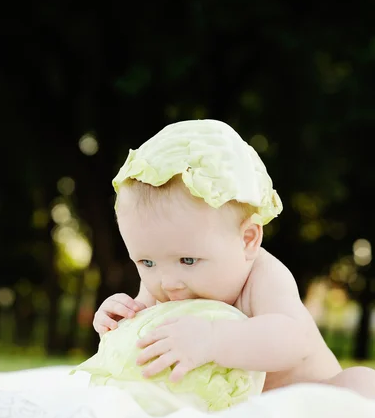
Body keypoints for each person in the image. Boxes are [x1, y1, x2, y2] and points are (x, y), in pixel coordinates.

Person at [93, 119, 375, 398]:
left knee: (362, 382)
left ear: (247, 240)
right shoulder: (165, 285)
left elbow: (294, 340)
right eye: (147, 263)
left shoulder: (263, 275)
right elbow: (145, 340)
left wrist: (213, 339)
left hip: (306, 403)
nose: (168, 284)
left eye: (188, 260)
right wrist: (120, 323)